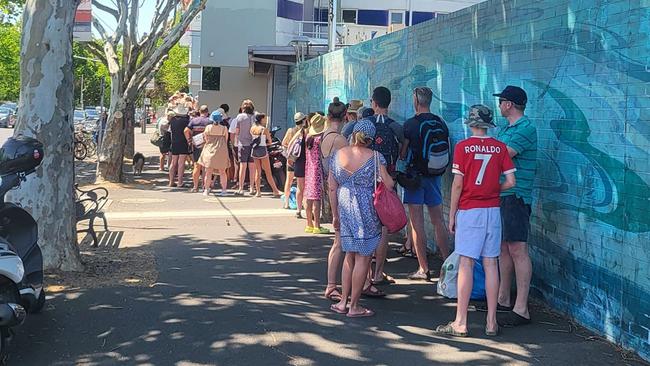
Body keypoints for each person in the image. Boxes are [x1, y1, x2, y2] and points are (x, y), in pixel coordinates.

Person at [435, 105, 516, 337]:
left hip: (470, 210)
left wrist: (452, 214)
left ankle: (461, 322)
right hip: (493, 210)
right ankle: (492, 322)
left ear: (471, 123)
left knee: (466, 264)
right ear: (489, 124)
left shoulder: (462, 147)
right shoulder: (500, 148)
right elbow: (511, 182)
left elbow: (458, 184)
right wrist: (492, 190)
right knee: (491, 263)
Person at [329, 120, 394, 317]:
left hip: (344, 204)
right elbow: (389, 184)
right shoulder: (375, 157)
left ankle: (342, 302)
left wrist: (334, 214)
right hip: (365, 207)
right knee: (363, 257)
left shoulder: (338, 155)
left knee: (349, 255)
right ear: (371, 138)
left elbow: (331, 186)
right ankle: (355, 306)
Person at [492, 85, 537, 326]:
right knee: (503, 247)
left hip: (516, 196)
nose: (499, 106)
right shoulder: (506, 129)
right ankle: (503, 298)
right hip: (503, 194)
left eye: (501, 102)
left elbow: (502, 156)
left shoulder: (526, 128)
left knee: (518, 248)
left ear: (509, 104)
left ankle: (522, 308)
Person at [400, 87, 451, 281]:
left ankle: (424, 269)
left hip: (415, 177)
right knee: (439, 221)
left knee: (417, 223)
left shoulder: (410, 124)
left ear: (415, 100)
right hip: (435, 176)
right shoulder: (440, 122)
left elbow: (404, 154)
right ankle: (447, 265)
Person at [368, 86, 404, 285]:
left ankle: (363, 275)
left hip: (366, 182)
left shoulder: (364, 125)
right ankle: (378, 273)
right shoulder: (395, 126)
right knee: (382, 229)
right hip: (387, 182)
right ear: (389, 103)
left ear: (373, 103)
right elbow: (403, 147)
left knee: (365, 226)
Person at [320, 100, 351, 301]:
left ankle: (334, 284)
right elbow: (341, 175)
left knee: (339, 242)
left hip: (330, 191)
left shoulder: (324, 136)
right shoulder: (340, 141)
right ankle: (333, 285)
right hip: (339, 194)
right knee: (341, 243)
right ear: (345, 116)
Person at [304, 114, 330, 234]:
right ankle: (317, 226)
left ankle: (309, 224)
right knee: (317, 198)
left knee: (309, 196)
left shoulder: (308, 137)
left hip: (309, 168)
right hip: (317, 169)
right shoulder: (320, 139)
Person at [198, 110, 231, 196]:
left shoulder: (208, 127)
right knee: (223, 172)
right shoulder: (224, 128)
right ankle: (224, 190)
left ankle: (206, 189)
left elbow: (206, 139)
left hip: (210, 150)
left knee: (208, 172)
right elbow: (226, 139)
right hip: (221, 150)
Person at [250, 113, 282, 197]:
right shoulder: (264, 129)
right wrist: (267, 143)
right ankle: (275, 191)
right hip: (262, 151)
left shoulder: (252, 128)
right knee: (268, 172)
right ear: (261, 119)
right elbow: (269, 142)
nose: (265, 120)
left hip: (254, 151)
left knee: (258, 171)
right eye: (264, 118)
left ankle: (258, 192)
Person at [229, 100, 257, 195]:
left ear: (243, 108)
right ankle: (252, 188)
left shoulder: (240, 117)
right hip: (253, 144)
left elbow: (237, 131)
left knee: (242, 166)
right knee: (252, 167)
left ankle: (241, 187)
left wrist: (236, 141)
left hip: (242, 144)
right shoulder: (255, 117)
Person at [287, 113, 310, 219]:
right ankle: (308, 211)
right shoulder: (309, 132)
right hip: (308, 162)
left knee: (300, 187)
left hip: (299, 161)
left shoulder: (297, 132)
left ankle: (298, 210)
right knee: (307, 188)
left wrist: (290, 158)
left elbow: (290, 144)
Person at [282, 112, 307, 209]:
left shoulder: (290, 130)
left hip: (291, 159)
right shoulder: (305, 131)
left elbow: (284, 144)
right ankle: (301, 205)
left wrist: (289, 155)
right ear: (304, 120)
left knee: (288, 181)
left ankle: (287, 203)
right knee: (301, 184)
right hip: (301, 160)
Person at [186, 105, 213, 192]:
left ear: (199, 112)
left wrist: (189, 140)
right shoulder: (210, 121)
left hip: (196, 146)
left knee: (196, 166)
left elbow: (186, 130)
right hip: (207, 146)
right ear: (207, 112)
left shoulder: (194, 121)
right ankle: (205, 186)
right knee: (206, 166)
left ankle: (195, 186)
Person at [168, 103, 191, 187]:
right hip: (183, 142)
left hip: (174, 142)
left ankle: (171, 181)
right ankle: (180, 182)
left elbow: (169, 131)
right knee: (181, 163)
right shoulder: (186, 121)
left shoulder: (172, 120)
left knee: (173, 163)